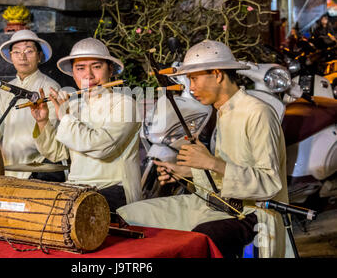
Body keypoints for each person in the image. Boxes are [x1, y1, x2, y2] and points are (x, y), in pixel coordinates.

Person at [116, 40, 292, 258]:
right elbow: (222, 174)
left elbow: (269, 183)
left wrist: (211, 163)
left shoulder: (258, 113)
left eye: (194, 78)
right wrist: (187, 171)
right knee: (130, 215)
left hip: (252, 213)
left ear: (217, 74)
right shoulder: (221, 112)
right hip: (217, 205)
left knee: (202, 236)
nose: (191, 88)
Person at [29, 37, 142, 212]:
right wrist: (43, 121)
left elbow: (102, 147)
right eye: (80, 68)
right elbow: (57, 153)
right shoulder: (74, 106)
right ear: (73, 74)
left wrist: (65, 119)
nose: (88, 75)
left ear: (110, 69)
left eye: (96, 67)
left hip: (114, 188)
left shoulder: (125, 104)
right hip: (77, 188)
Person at [0, 30, 62, 180]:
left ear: (39, 56)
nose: (22, 56)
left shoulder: (50, 88)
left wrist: (19, 146)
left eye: (29, 51)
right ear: (11, 57)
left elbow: (53, 138)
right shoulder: (6, 89)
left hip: (41, 168)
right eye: (17, 52)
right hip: (10, 168)